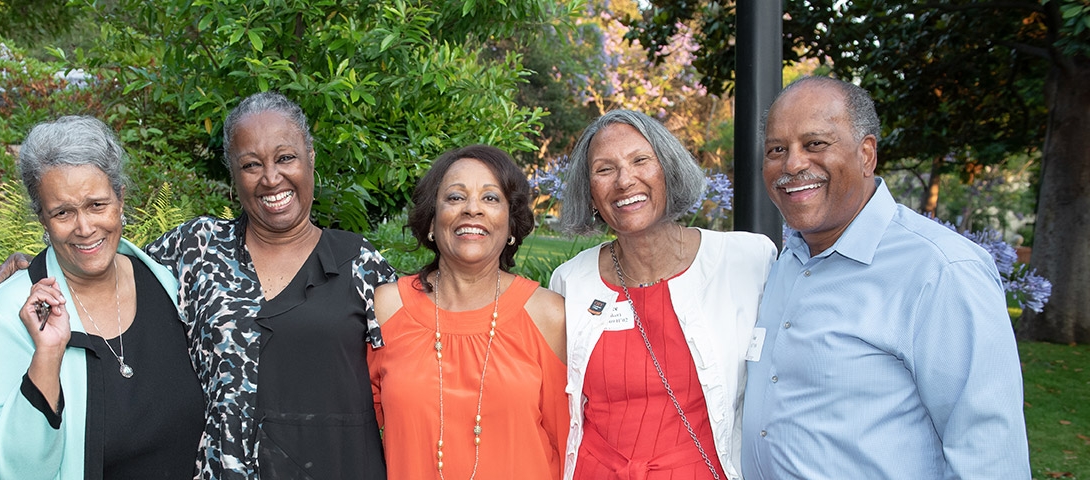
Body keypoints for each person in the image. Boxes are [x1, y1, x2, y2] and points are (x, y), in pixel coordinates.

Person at [741, 76, 1030, 478]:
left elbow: (988, 456)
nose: (792, 164)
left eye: (815, 144)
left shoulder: (941, 271)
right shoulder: (786, 262)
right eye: (777, 149)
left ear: (866, 154)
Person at [144, 91, 397, 479]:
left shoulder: (360, 265)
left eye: (285, 157)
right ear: (233, 173)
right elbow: (106, 279)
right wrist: (34, 270)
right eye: (250, 164)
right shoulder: (197, 249)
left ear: (310, 157)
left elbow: (420, 372)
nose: (271, 178)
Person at [0, 116, 204, 479]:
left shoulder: (168, 287)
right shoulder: (8, 313)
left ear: (120, 200)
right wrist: (47, 357)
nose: (85, 228)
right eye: (63, 212)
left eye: (97, 205)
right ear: (42, 219)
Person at [549, 110, 776, 480]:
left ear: (668, 170)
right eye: (604, 169)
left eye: (641, 160)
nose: (625, 180)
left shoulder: (746, 262)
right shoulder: (571, 282)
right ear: (590, 192)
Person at [369, 145, 569, 479]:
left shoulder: (547, 315)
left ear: (510, 225)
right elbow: (353, 432)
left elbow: (569, 446)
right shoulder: (388, 308)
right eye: (455, 197)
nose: (472, 209)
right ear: (431, 222)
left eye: (491, 198)